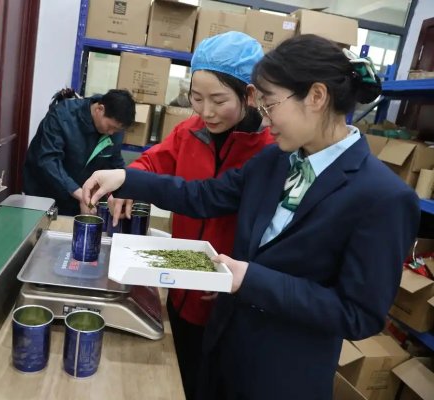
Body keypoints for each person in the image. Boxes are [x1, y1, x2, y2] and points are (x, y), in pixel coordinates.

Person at [83, 34, 420, 399]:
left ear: (316, 96)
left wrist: (250, 279)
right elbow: (204, 196)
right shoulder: (275, 161)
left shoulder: (382, 197)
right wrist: (127, 178)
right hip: (222, 354)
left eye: (270, 104)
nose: (264, 118)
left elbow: (358, 314)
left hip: (280, 380)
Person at [126, 31, 272, 400]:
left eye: (219, 100)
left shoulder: (270, 150)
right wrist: (128, 183)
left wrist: (237, 279)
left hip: (230, 295)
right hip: (180, 284)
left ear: (249, 94)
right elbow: (151, 162)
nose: (206, 112)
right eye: (196, 97)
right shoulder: (189, 131)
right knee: (177, 372)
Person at [23, 88, 135, 216]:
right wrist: (82, 195)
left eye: (117, 130)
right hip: (44, 193)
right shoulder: (62, 116)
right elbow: (48, 161)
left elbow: (114, 162)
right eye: (111, 127)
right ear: (99, 109)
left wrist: (126, 187)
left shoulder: (115, 130)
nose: (111, 133)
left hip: (78, 196)